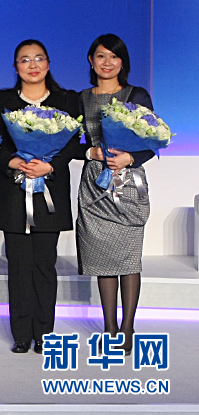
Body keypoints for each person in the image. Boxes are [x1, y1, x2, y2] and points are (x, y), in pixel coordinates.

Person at [0, 39, 82, 354]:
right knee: (18, 265)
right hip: (15, 189)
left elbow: (74, 142)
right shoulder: (4, 99)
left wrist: (50, 165)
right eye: (25, 59)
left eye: (39, 58)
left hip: (49, 189)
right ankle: (20, 333)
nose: (32, 65)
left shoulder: (66, 99)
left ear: (48, 63)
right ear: (16, 67)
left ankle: (44, 332)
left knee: (44, 263)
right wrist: (14, 162)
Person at [77, 34, 154, 355]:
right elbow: (70, 143)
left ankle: (128, 327)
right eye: (100, 56)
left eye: (113, 56)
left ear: (123, 62)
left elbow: (152, 141)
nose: (107, 62)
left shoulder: (137, 95)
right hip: (95, 184)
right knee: (102, 257)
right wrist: (91, 152)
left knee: (128, 258)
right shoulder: (81, 98)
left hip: (128, 181)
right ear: (91, 60)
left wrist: (129, 158)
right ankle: (109, 327)